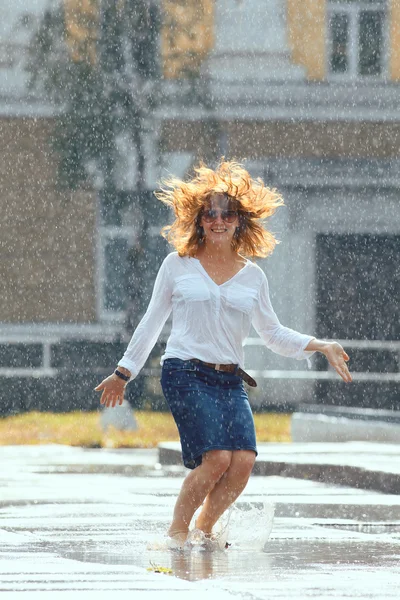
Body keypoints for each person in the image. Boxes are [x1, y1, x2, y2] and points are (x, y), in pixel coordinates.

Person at [94, 159, 352, 547]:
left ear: (239, 222)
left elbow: (273, 333)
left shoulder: (253, 276)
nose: (218, 220)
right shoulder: (177, 265)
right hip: (184, 372)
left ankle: (204, 529)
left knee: (243, 462)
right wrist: (123, 372)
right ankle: (177, 533)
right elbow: (151, 322)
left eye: (227, 214)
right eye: (210, 214)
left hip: (230, 379)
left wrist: (321, 345)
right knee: (216, 459)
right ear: (199, 220)